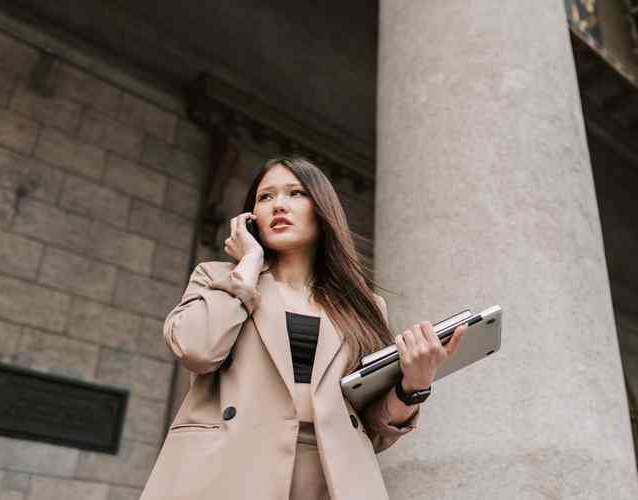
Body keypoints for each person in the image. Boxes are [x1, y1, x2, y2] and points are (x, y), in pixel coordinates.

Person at [139, 156, 467, 500]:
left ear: (322, 209)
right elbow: (197, 349)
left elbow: (373, 430)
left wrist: (413, 385)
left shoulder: (364, 307)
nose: (279, 205)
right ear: (250, 219)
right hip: (229, 472)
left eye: (295, 193)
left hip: (330, 479)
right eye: (265, 197)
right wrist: (248, 268)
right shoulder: (218, 279)